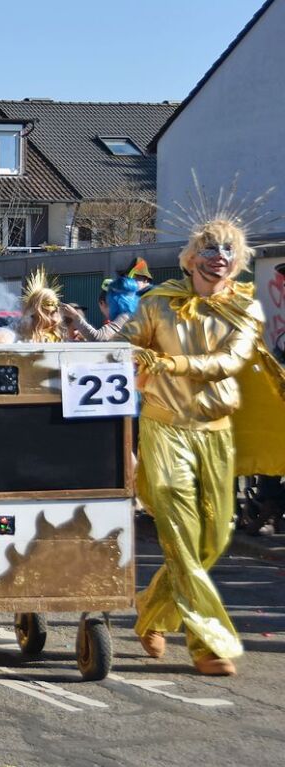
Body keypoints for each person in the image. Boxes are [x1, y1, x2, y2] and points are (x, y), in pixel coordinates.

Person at [117, 218, 285, 676]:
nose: (220, 257)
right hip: (164, 428)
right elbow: (123, 352)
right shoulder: (156, 305)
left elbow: (229, 362)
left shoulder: (245, 309)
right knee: (179, 527)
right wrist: (128, 354)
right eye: (210, 249)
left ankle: (153, 607)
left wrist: (167, 362)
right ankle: (208, 643)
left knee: (212, 538)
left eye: (229, 250)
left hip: (215, 431)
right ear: (191, 259)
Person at [64, 276, 140, 341]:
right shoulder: (132, 315)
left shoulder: (125, 317)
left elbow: (97, 337)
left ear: (103, 303)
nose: (105, 314)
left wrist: (75, 316)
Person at [18, 268, 67, 343]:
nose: (56, 309)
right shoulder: (24, 338)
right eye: (50, 304)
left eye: (56, 304)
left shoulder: (60, 335)